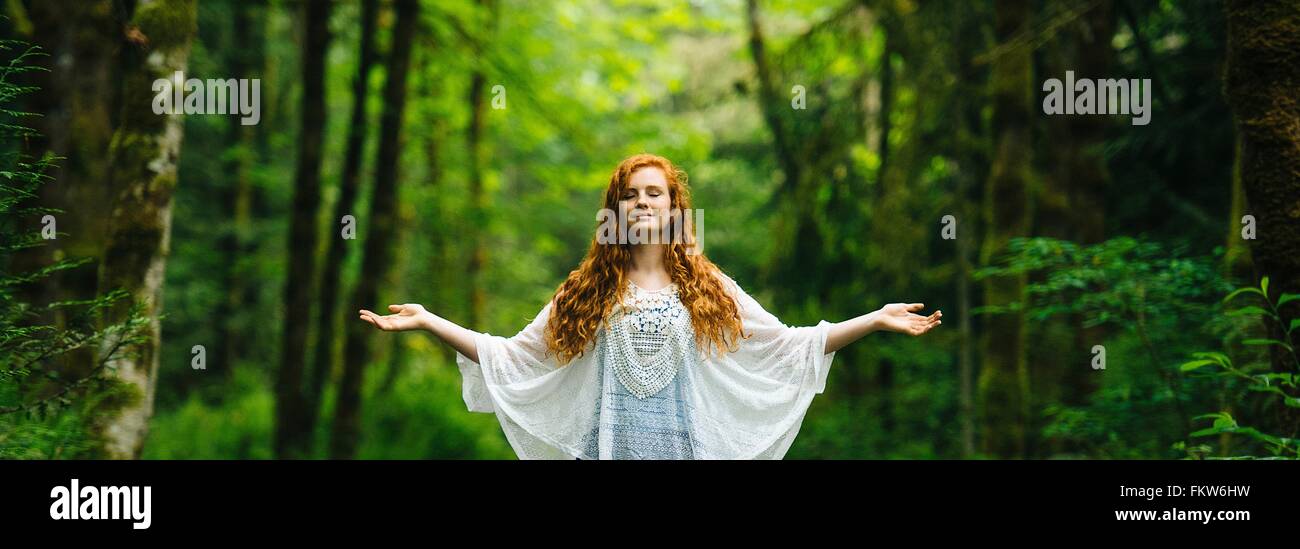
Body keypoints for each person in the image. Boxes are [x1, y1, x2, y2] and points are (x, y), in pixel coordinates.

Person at [359, 153, 941, 459]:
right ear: (615, 209)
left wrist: (875, 319)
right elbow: (513, 356)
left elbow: (787, 345)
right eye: (629, 195)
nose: (641, 202)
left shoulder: (708, 286)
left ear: (672, 207)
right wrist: (428, 321)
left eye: (653, 193)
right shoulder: (585, 289)